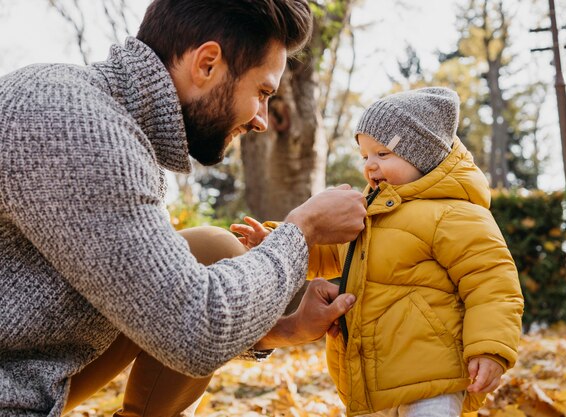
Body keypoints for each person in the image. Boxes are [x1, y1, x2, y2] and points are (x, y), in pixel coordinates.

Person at [0, 1, 368, 416]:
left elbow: (156, 300)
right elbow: (193, 331)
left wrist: (284, 331)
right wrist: (303, 229)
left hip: (32, 376)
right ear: (207, 64)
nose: (262, 119)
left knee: (210, 248)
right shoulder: (71, 124)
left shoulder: (108, 124)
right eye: (262, 92)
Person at [231, 87, 525, 417]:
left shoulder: (454, 213)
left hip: (433, 374)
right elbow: (330, 253)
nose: (370, 166)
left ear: (422, 155)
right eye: (365, 156)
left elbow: (491, 284)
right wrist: (276, 240)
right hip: (371, 375)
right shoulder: (367, 211)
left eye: (383, 154)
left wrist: (489, 348)